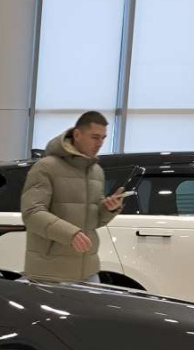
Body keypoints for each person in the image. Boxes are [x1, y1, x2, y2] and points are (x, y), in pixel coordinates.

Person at [20, 111, 125, 284]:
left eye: (103, 138)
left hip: (88, 271)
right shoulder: (46, 167)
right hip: (50, 274)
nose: (100, 143)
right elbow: (32, 213)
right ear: (77, 134)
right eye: (95, 137)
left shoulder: (96, 171)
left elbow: (94, 221)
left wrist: (108, 209)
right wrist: (71, 234)